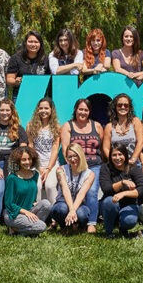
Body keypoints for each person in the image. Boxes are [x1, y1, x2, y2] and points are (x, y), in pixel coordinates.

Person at [0, 99, 29, 231]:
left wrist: (14, 167)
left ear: (12, 112)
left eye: (7, 110)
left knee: (14, 191)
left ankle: (13, 222)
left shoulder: (19, 129)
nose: (4, 113)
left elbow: (22, 151)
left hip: (13, 164)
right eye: (2, 110)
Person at [60, 98, 103, 231]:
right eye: (80, 109)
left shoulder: (97, 126)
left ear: (89, 111)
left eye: (86, 110)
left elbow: (102, 148)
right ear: (75, 110)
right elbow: (66, 149)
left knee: (92, 191)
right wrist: (73, 166)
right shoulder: (68, 126)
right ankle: (73, 219)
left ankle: (91, 223)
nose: (83, 112)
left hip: (94, 165)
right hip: (75, 166)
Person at [3, 146, 53, 236]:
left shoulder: (35, 175)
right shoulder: (12, 178)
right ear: (18, 161)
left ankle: (22, 229)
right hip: (14, 214)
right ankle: (18, 228)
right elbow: (8, 203)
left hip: (29, 210)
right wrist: (26, 212)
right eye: (23, 160)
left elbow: (32, 196)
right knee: (42, 226)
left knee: (46, 204)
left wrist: (34, 203)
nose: (27, 162)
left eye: (29, 159)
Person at [99, 143, 143, 237]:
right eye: (114, 155)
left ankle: (123, 229)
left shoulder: (133, 167)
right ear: (110, 156)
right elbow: (106, 189)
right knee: (109, 201)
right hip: (111, 203)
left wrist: (124, 193)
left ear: (125, 155)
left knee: (129, 220)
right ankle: (109, 231)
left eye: (120, 154)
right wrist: (122, 182)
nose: (117, 158)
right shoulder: (105, 168)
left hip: (129, 204)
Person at [50, 143, 97, 232]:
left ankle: (78, 225)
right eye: (69, 157)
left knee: (82, 214)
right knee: (61, 209)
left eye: (75, 156)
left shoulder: (90, 174)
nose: (73, 159)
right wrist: (71, 210)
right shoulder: (60, 170)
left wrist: (73, 210)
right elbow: (65, 189)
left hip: (79, 204)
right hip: (62, 202)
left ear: (81, 155)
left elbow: (81, 194)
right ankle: (64, 226)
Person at [27, 97, 61, 204]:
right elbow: (31, 146)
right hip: (36, 163)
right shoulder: (30, 125)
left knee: (50, 186)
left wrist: (48, 169)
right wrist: (39, 166)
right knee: (36, 185)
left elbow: (55, 149)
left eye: (46, 108)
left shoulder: (56, 127)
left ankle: (55, 215)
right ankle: (38, 213)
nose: (43, 111)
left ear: (51, 110)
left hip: (51, 163)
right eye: (41, 108)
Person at [103, 93, 143, 167]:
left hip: (134, 164)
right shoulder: (109, 127)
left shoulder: (135, 121)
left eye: (126, 105)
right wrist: (114, 162)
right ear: (115, 107)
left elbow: (140, 142)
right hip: (117, 165)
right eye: (119, 105)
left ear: (129, 107)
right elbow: (106, 148)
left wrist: (133, 160)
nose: (123, 107)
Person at [6, 30, 49, 99]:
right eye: (30, 42)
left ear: (40, 44)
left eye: (36, 42)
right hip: (20, 96)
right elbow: (9, 79)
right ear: (25, 43)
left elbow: (49, 78)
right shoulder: (15, 58)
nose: (33, 45)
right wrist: (15, 82)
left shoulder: (46, 59)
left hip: (40, 96)